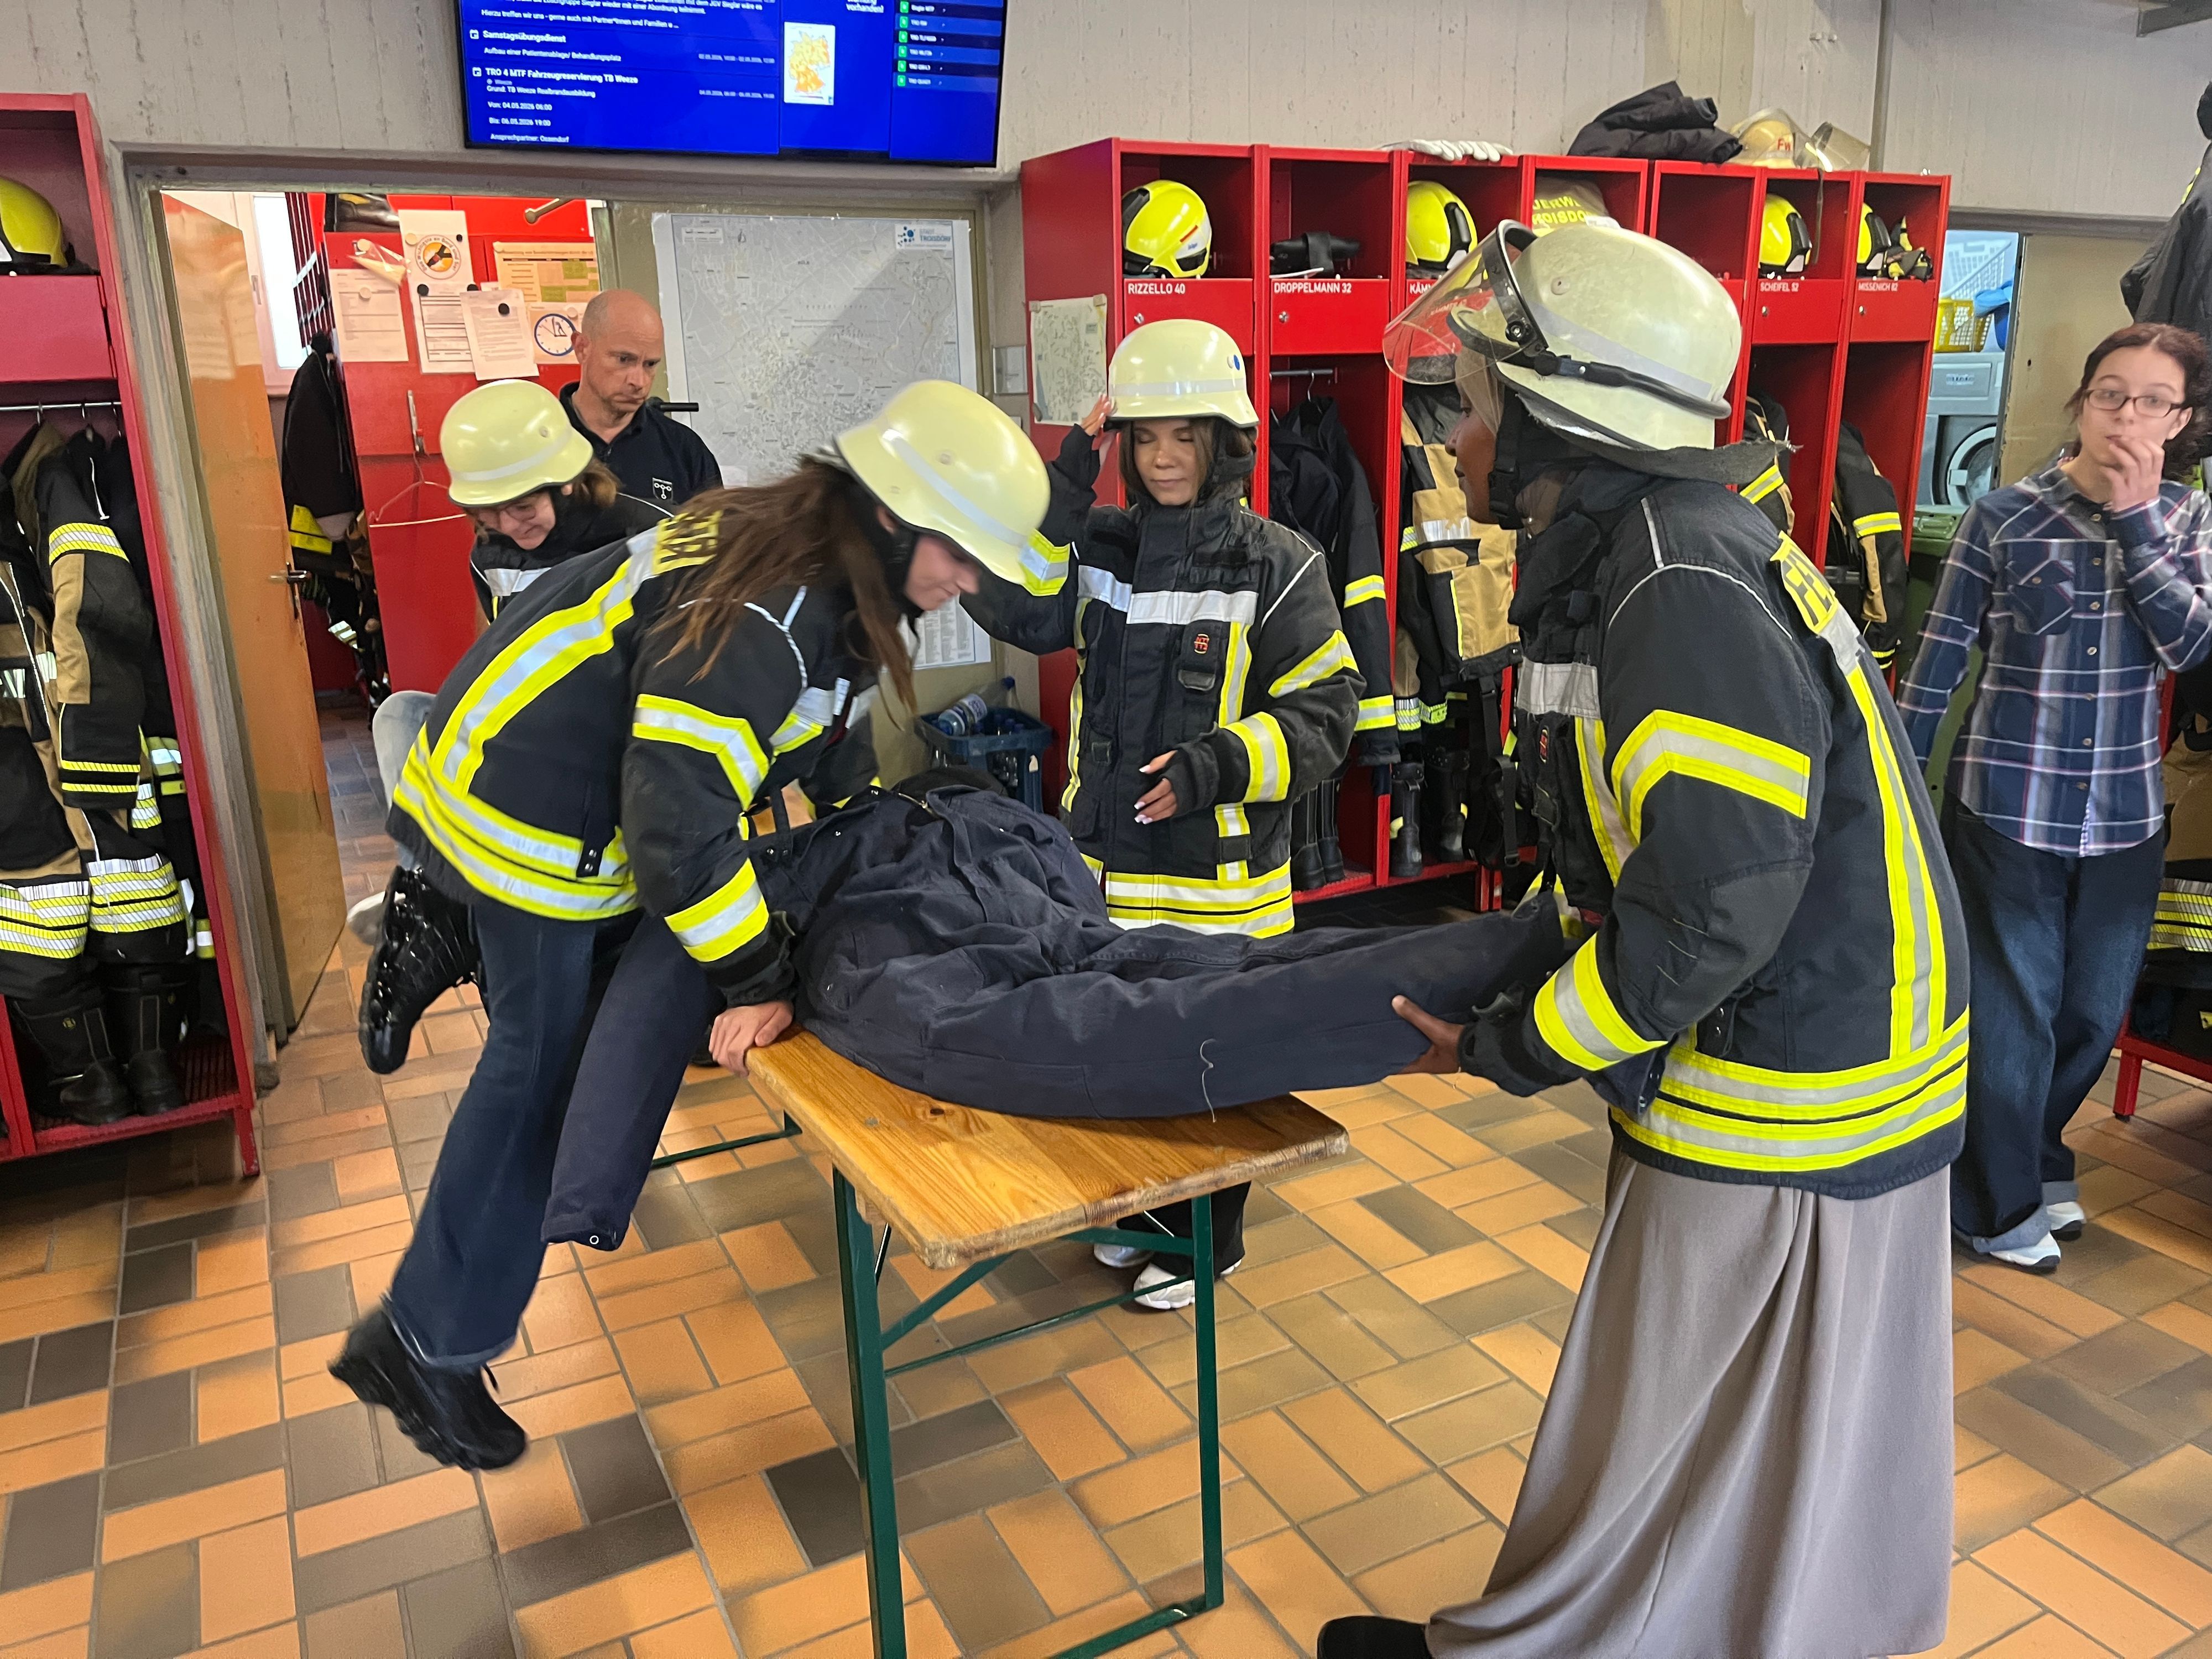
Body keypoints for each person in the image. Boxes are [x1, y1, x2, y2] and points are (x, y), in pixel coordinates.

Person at [1320, 220, 1965, 1659]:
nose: (1456, 441)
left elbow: (1714, 905)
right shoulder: (1661, 552)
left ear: (1563, 422)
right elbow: (1650, 851)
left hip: (1792, 1084)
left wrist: (1513, 1046)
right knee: (1714, 1416)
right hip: (1811, 1050)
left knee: (1674, 1402)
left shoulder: (1671, 585)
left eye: (1475, 405)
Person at [327, 381, 1048, 1470]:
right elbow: (678, 828)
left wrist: (867, 822)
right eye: (962, 554)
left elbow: (821, 726)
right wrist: (757, 975)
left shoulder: (820, 561)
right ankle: (422, 1345)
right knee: (538, 1071)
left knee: (580, 1042)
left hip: (561, 795)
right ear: (894, 515)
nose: (969, 582)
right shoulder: (772, 607)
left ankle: (449, 934)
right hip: (523, 818)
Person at [964, 317, 1361, 1310]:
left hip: (1218, 886)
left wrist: (1214, 766)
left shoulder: (1281, 563)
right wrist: (1065, 480)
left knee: (1216, 1064)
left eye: (1187, 436)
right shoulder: (1100, 545)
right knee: (1126, 1053)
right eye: (1145, 438)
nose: (1166, 457)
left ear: (1227, 442)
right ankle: (1149, 1215)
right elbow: (1015, 605)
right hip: (1104, 870)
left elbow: (1327, 716)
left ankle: (1210, 1244)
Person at [1897, 322, 2212, 1273]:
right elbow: (1935, 667)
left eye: (2152, 400)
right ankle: (1991, 1205)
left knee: (2089, 1016)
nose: (2125, 415)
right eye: (2110, 393)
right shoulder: (2003, 517)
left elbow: (2191, 650)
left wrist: (2137, 521)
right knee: (2013, 1017)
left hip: (2124, 816)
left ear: (2181, 420)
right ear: (2082, 400)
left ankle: (2035, 1155)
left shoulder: (2190, 521)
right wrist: (1896, 797)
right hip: (2007, 807)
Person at [349, 380, 670, 1071]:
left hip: (610, 745)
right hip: (529, 740)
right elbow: (493, 662)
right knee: (401, 714)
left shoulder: (645, 540)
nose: (508, 523)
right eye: (489, 512)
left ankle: (440, 899)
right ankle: (430, 893)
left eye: (522, 505)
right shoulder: (489, 554)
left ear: (568, 478)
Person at [562, 288, 722, 510]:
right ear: (582, 348)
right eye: (624, 359)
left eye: (650, 365)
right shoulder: (538, 441)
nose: (639, 382)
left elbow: (717, 530)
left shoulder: (685, 450)